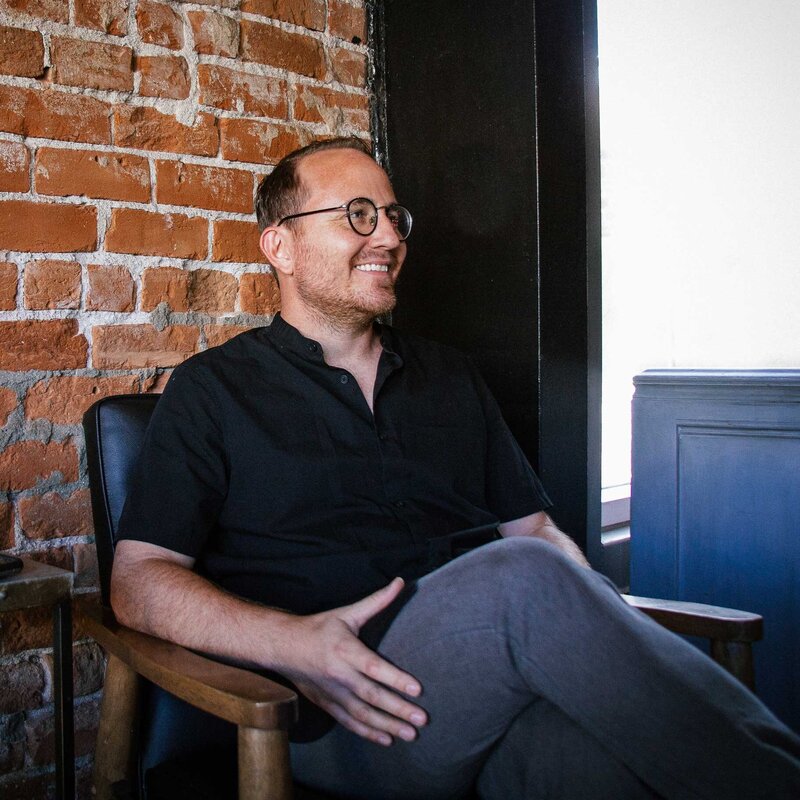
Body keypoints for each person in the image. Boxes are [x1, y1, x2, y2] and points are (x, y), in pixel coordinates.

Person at [112, 137, 800, 799]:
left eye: (392, 217)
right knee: (524, 577)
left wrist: (594, 631)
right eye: (357, 215)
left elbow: (532, 530)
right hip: (337, 715)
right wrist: (291, 644)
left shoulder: (449, 377)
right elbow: (137, 581)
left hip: (482, 693)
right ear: (280, 245)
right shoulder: (214, 391)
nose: (387, 238)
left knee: (603, 767)